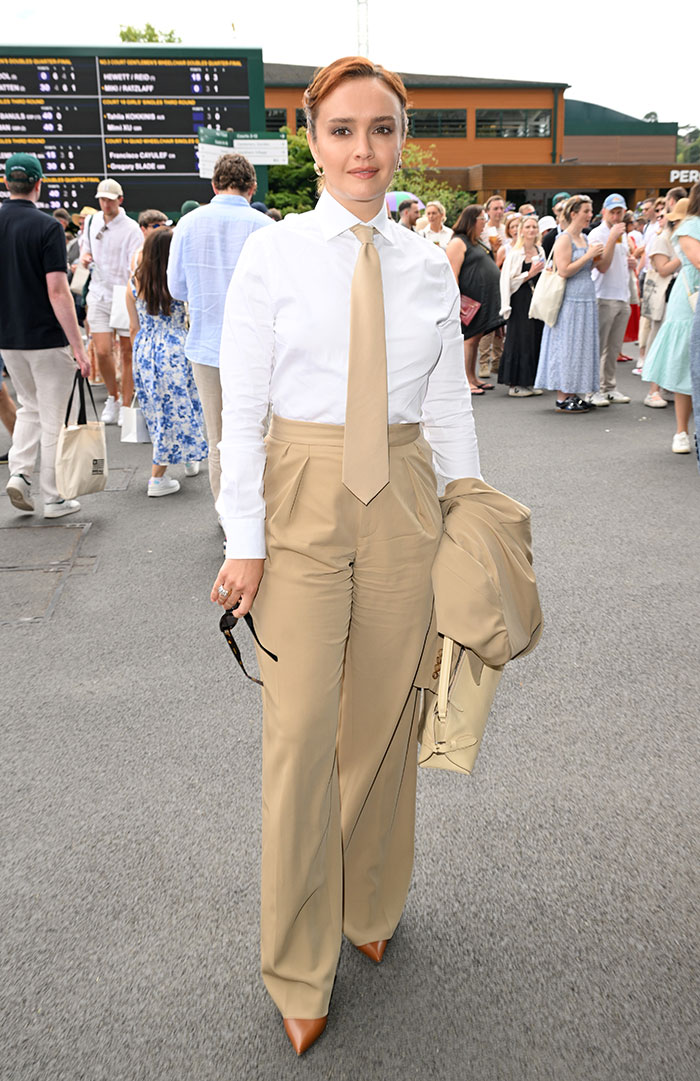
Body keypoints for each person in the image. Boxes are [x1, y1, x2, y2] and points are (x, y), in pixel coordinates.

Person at [211, 55, 480, 1056]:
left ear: (402, 138)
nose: (363, 149)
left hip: (406, 494)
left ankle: (369, 905)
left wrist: (468, 514)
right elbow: (242, 410)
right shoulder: (271, 258)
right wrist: (244, 542)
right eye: (342, 131)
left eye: (381, 129)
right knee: (299, 738)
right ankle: (295, 958)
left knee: (383, 725)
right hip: (301, 500)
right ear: (310, 141)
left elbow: (446, 404)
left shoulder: (422, 263)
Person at [167, 153, 271, 506]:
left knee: (219, 439)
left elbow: (176, 288)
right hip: (257, 348)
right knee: (260, 436)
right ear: (251, 186)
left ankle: (228, 518)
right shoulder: (266, 227)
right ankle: (261, 512)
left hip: (206, 344)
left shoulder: (189, 223)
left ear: (213, 185)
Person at [0, 153, 90, 516]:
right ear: (38, 184)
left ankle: (20, 473)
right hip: (47, 336)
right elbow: (58, 290)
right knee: (54, 415)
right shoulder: (47, 227)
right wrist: (79, 346)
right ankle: (55, 496)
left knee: (29, 407)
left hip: (9, 336)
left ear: (7, 183)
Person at [126, 228, 207, 495]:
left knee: (159, 411)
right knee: (185, 403)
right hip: (176, 347)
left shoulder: (133, 283)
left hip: (146, 349)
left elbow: (133, 327)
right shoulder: (179, 284)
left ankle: (189, 456)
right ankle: (157, 478)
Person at [643, 183, 700, 453]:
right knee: (685, 367)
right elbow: (698, 261)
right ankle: (681, 432)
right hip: (689, 304)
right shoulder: (688, 227)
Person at [534, 194, 604, 411]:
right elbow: (563, 270)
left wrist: (597, 254)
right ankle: (563, 395)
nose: (589, 215)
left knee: (581, 345)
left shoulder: (584, 237)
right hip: (570, 298)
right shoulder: (564, 239)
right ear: (574, 214)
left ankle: (573, 391)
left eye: (590, 211)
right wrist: (588, 256)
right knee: (567, 344)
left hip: (585, 295)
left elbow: (589, 267)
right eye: (586, 211)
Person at [80, 179, 142, 424]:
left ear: (120, 200)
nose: (105, 204)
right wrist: (85, 258)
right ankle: (113, 397)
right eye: (102, 200)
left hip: (122, 293)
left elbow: (133, 267)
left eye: (109, 199)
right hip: (98, 291)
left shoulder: (131, 228)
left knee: (126, 351)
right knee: (103, 350)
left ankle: (126, 405)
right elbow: (87, 249)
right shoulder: (93, 221)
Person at [446, 204, 505, 394]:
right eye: (483, 219)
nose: (485, 224)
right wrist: (456, 302)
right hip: (468, 301)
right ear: (472, 220)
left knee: (475, 338)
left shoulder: (476, 241)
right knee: (468, 339)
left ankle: (472, 376)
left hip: (482, 299)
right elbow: (452, 274)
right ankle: (465, 381)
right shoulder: (458, 242)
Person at [586, 194, 636, 406]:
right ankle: (591, 388)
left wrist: (630, 262)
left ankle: (609, 386)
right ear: (604, 212)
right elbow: (602, 266)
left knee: (614, 347)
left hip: (621, 294)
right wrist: (611, 238)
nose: (616, 216)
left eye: (620, 212)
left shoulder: (622, 234)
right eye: (613, 212)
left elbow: (618, 262)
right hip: (603, 294)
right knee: (598, 346)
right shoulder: (598, 234)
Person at [639, 202, 684, 406]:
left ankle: (668, 385)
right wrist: (684, 254)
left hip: (680, 294)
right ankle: (653, 389)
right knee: (658, 339)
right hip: (665, 294)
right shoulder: (663, 239)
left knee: (677, 342)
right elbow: (662, 269)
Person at [498, 216, 545, 396]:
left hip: (536, 299)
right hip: (520, 299)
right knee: (520, 338)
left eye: (534, 226)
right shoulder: (515, 254)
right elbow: (507, 281)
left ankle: (530, 380)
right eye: (528, 227)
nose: (531, 230)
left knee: (534, 337)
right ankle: (515, 383)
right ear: (521, 231)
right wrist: (529, 273)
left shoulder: (539, 250)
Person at [478, 194, 507, 375]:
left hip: (505, 280)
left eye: (501, 208)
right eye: (495, 208)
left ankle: (497, 360)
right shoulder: (483, 231)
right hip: (487, 279)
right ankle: (483, 362)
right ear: (488, 211)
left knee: (501, 321)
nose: (499, 212)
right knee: (488, 322)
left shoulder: (507, 230)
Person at [130, 209, 171, 273]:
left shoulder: (171, 250)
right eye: (156, 226)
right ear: (143, 229)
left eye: (163, 225)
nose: (160, 229)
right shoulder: (139, 255)